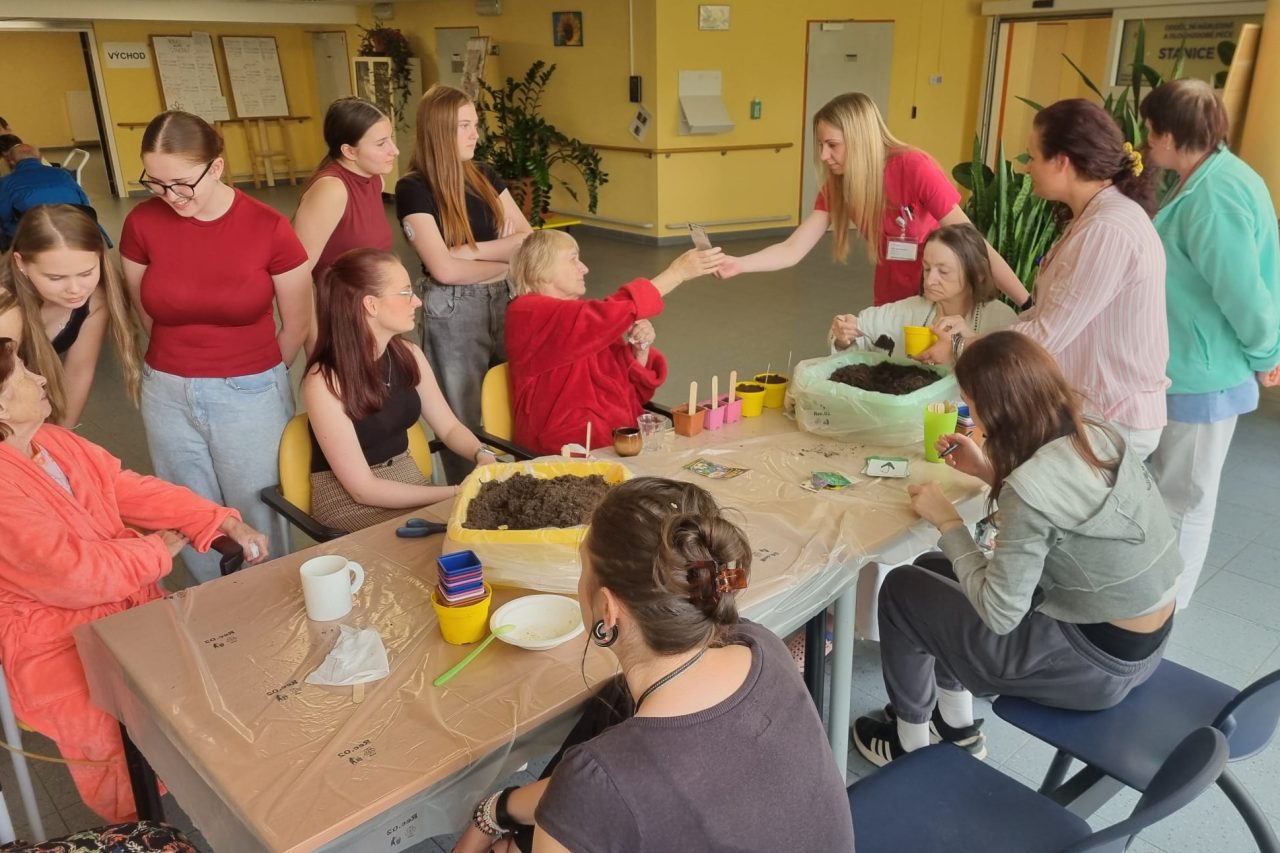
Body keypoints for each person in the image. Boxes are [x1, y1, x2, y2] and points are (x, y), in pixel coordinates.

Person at [454, 477, 854, 853]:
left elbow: (594, 790)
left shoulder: (598, 779)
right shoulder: (759, 643)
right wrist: (498, 808)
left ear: (607, 609)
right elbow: (595, 792)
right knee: (613, 703)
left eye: (582, 571)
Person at [851, 331, 1180, 767]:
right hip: (1142, 645)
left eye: (969, 403)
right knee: (935, 566)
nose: (969, 414)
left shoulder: (1029, 487)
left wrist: (948, 521)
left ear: (995, 410)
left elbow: (999, 613)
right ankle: (956, 725)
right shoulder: (1097, 434)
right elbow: (1059, 511)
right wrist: (988, 471)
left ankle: (908, 744)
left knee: (902, 588)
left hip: (1090, 668)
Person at [0, 338, 268, 823]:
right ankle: (141, 829)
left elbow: (126, 488)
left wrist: (217, 519)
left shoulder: (53, 442)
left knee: (216, 668)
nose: (39, 378)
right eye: (22, 374)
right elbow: (73, 575)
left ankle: (219, 790)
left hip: (127, 602)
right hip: (53, 639)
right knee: (113, 731)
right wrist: (153, 551)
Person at [120, 111, 310, 582]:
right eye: (157, 183)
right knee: (190, 511)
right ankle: (214, 607)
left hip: (250, 390)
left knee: (259, 509)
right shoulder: (142, 223)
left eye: (182, 183)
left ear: (217, 167)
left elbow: (296, 322)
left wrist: (257, 376)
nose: (171, 197)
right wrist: (179, 359)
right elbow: (145, 310)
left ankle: (270, 602)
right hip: (166, 388)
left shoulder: (268, 227)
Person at [1138, 80, 1280, 610]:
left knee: (1185, 501)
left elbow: (1244, 294)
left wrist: (1268, 355)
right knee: (1171, 493)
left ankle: (1163, 614)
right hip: (1190, 366)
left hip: (1207, 374)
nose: (1146, 141)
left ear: (1170, 135)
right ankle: (1150, 606)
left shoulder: (1215, 197)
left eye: (1150, 131)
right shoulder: (1205, 177)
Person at [716, 92, 1030, 312]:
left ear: (860, 138)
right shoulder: (840, 182)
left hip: (942, 300)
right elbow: (793, 248)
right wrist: (739, 264)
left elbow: (975, 246)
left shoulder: (914, 167)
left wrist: (1026, 304)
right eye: (821, 145)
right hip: (892, 301)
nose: (824, 155)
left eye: (832, 145)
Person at [1012, 98, 1168, 459]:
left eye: (1033, 157)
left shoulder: (1108, 229)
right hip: (1093, 411)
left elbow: (1046, 336)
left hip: (1111, 418)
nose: (1027, 168)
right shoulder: (1095, 216)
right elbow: (1047, 314)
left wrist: (967, 346)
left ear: (1062, 161)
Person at [302, 248, 498, 533]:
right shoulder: (323, 382)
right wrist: (457, 491)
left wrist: (483, 455)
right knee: (456, 532)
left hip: (407, 480)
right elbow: (363, 490)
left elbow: (450, 428)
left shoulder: (408, 354)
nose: (417, 301)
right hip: (348, 502)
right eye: (405, 293)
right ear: (371, 305)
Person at [395, 84, 532, 483]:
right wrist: (503, 261)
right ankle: (468, 494)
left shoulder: (486, 175)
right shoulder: (413, 188)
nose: (476, 134)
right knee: (461, 416)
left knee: (516, 400)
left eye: (475, 124)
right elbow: (444, 271)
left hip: (507, 300)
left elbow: (528, 241)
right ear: (440, 131)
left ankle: (521, 484)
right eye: (465, 126)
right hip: (453, 310)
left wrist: (467, 252)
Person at [505, 230, 722, 456]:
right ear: (541, 270)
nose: (584, 268)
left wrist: (640, 351)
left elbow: (633, 394)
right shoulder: (527, 312)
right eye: (573, 259)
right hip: (566, 454)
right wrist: (676, 273)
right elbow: (606, 314)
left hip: (617, 443)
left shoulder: (582, 320)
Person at [0, 205, 141, 427]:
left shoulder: (95, 300)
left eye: (86, 273)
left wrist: (60, 437)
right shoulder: (6, 311)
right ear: (21, 263)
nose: (75, 290)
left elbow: (79, 371)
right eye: (56, 278)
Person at [293, 97, 397, 349]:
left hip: (374, 316)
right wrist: (314, 343)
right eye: (381, 143)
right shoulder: (332, 189)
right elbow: (296, 276)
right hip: (341, 324)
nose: (394, 150)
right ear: (349, 151)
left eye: (390, 139)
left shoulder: (375, 180)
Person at [829, 223, 1017, 363]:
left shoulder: (1002, 320)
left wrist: (969, 344)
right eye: (927, 268)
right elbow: (859, 330)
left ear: (978, 274)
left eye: (943, 271)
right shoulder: (910, 310)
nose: (929, 280)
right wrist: (844, 335)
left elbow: (1011, 377)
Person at [0, 143, 92, 246]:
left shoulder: (5, 182)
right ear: (40, 157)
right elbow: (85, 203)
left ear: (11, 162)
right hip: (76, 230)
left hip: (36, 237)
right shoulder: (63, 174)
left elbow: (4, 217)